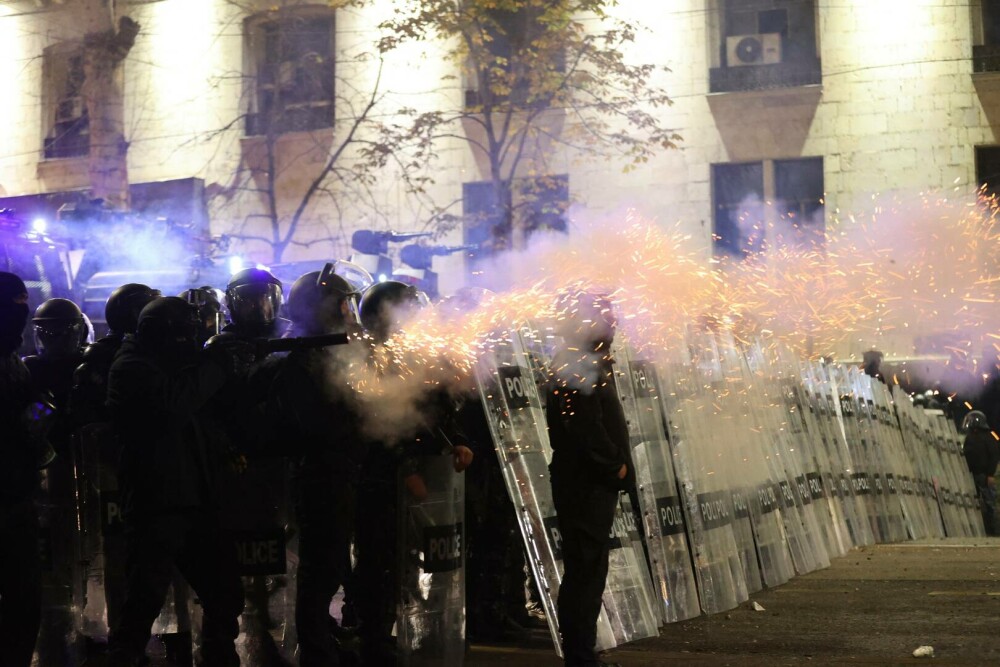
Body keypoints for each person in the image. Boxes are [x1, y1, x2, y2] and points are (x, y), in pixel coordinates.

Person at [106, 297, 251, 666]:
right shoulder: (131, 367)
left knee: (224, 592)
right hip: (158, 500)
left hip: (193, 499)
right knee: (144, 599)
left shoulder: (165, 364)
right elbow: (174, 406)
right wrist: (215, 365)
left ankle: (219, 657)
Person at [354, 281, 473, 664]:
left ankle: (424, 634)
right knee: (381, 564)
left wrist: (455, 441)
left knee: (421, 564)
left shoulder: (415, 356)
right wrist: (404, 469)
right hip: (384, 483)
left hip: (428, 480)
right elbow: (374, 425)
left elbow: (433, 411)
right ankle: (376, 639)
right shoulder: (368, 361)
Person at [267, 270, 363, 666]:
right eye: (342, 304)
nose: (348, 312)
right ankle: (315, 648)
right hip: (317, 474)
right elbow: (315, 423)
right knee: (319, 566)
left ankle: (323, 633)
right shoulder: (298, 358)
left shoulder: (325, 352)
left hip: (335, 470)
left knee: (333, 561)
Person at [545, 291, 633, 667]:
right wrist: (614, 464)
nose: (612, 323)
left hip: (588, 480)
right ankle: (580, 656)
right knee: (584, 570)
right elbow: (585, 427)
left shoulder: (584, 360)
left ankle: (583, 650)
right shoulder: (576, 363)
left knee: (588, 569)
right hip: (585, 481)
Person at [0, 272, 47, 667]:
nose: (21, 313)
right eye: (13, 305)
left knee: (24, 599)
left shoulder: (12, 358)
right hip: (8, 496)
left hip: (17, 495)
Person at [962, 410, 1000, 536]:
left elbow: (994, 457)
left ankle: (994, 531)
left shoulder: (988, 438)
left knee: (990, 504)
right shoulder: (970, 437)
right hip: (972, 475)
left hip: (983, 475)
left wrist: (990, 474)